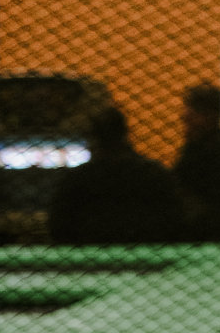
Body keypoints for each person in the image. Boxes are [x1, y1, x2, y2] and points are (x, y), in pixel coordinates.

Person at [47, 105, 188, 246]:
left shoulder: (77, 180)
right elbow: (175, 218)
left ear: (92, 139)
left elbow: (59, 225)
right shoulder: (153, 173)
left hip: (92, 256)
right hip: (146, 254)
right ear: (125, 134)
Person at [171, 82, 220, 244]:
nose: (185, 116)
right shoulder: (196, 147)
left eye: (194, 111)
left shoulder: (213, 152)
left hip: (206, 240)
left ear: (211, 116)